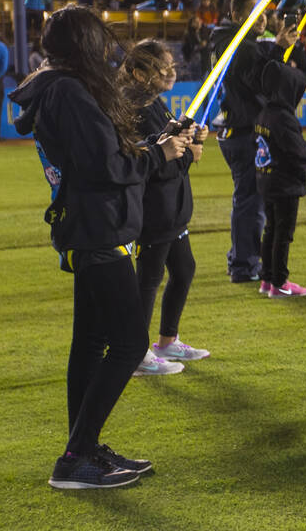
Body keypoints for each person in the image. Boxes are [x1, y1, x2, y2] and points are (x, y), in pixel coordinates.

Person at [9, 6, 192, 489]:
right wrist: (160, 153)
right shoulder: (68, 91)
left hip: (89, 226)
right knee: (130, 343)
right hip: (97, 228)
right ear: (84, 45)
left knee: (91, 343)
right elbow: (104, 166)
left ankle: (83, 449)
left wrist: (155, 146)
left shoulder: (59, 86)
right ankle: (75, 456)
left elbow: (103, 156)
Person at [118, 40, 211, 376]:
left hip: (171, 209)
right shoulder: (137, 108)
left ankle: (166, 340)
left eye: (171, 65)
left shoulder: (151, 103)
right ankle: (137, 354)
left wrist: (189, 138)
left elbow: (169, 145)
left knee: (183, 269)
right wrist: (190, 153)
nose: (170, 72)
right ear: (139, 73)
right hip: (155, 210)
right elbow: (154, 163)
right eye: (161, 67)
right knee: (149, 279)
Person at [213, 0, 299, 283]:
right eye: (254, 12)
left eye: (264, 12)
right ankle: (243, 265)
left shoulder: (230, 40)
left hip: (238, 128)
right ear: (237, 16)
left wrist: (277, 49)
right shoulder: (240, 45)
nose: (262, 18)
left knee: (249, 199)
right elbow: (261, 80)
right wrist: (277, 50)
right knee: (251, 200)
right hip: (244, 130)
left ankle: (242, 258)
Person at [255, 61, 306, 297]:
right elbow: (297, 153)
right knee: (283, 233)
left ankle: (267, 279)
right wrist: (304, 177)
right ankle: (280, 283)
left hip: (267, 181)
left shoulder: (264, 112)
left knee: (271, 229)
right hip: (284, 184)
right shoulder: (284, 118)